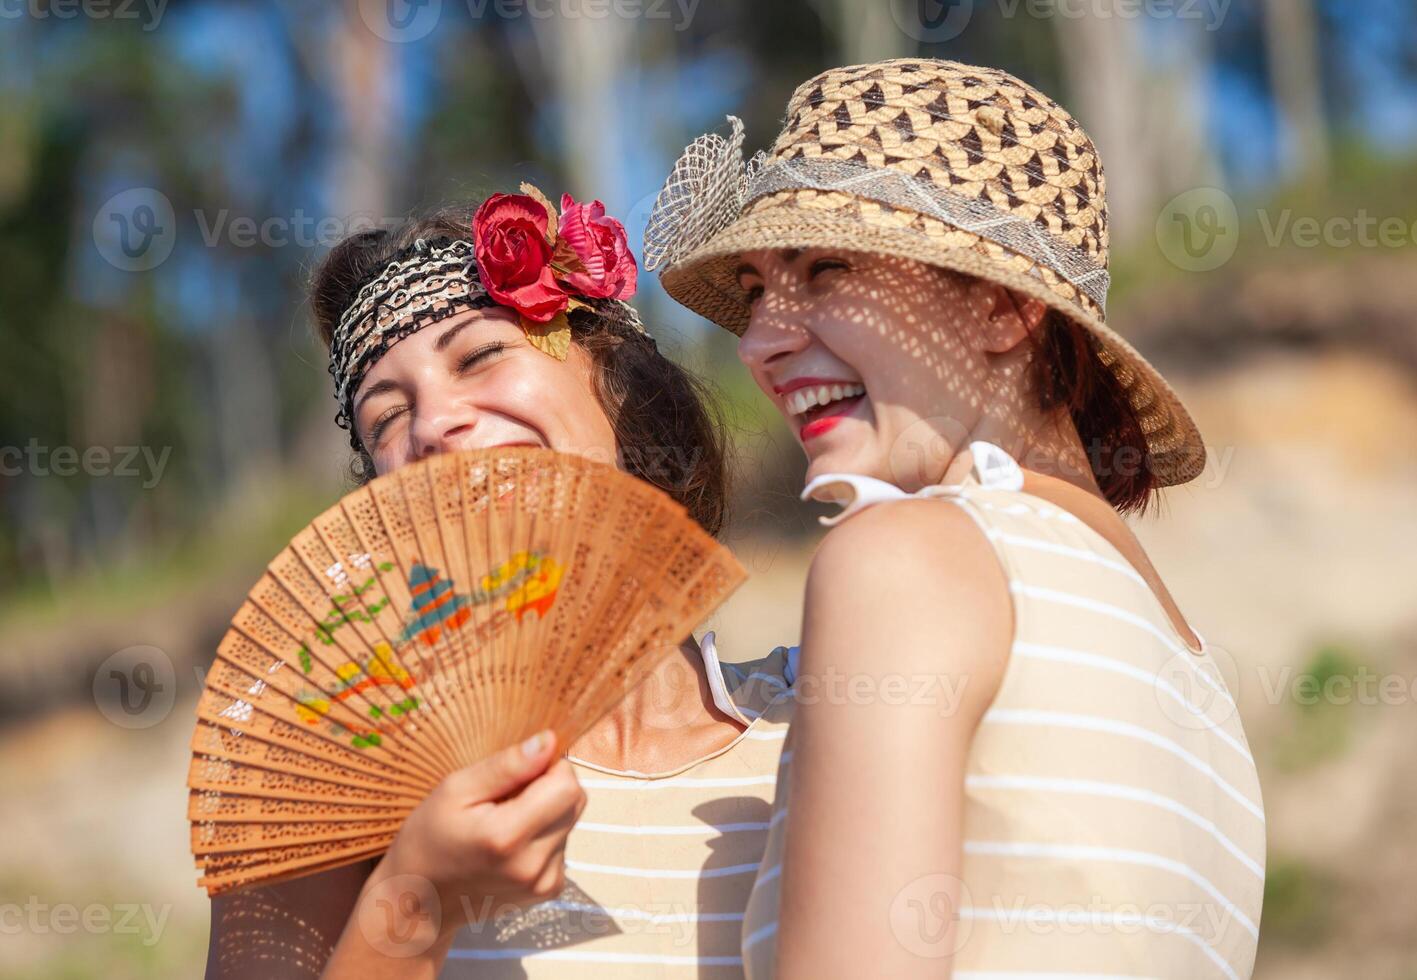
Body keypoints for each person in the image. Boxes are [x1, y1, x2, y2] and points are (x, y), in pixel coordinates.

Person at [649, 59, 1265, 979]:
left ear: (1004, 306)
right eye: (755, 287)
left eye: (823, 268)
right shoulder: (1190, 670)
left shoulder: (908, 558)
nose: (760, 340)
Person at [203, 192, 796, 979]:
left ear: (618, 383)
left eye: (480, 356)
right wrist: (418, 903)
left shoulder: (826, 720)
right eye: (385, 418)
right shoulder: (325, 780)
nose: (433, 426)